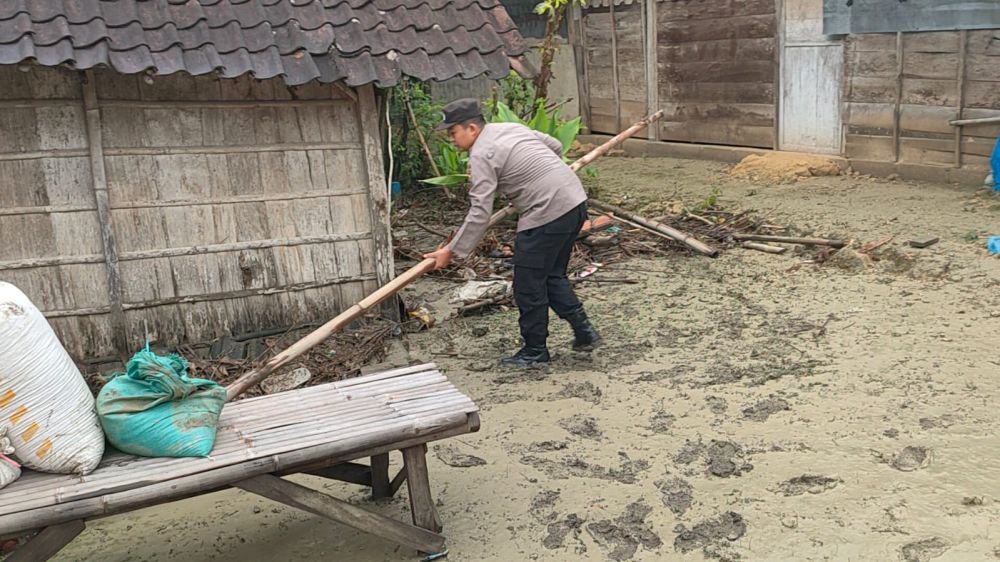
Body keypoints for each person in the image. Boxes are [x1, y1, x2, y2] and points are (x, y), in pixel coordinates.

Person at [423, 99, 600, 367]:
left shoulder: (481, 154)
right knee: (552, 274)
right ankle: (584, 332)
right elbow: (555, 146)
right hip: (574, 201)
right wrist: (526, 176)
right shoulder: (509, 128)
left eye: (453, 132)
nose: (452, 139)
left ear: (471, 128)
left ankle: (535, 350)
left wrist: (452, 251)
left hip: (547, 212)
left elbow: (480, 212)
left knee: (528, 285)